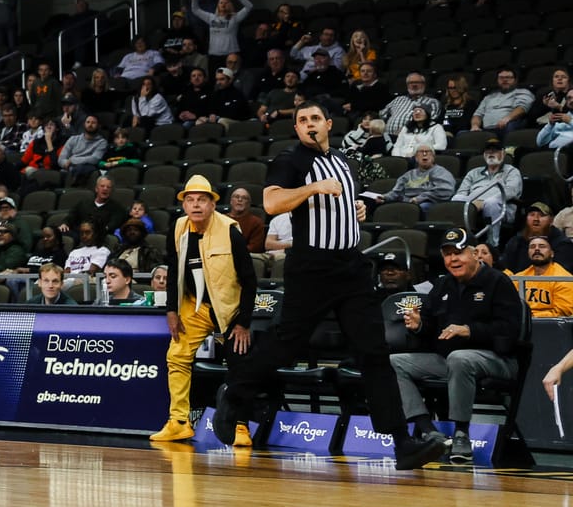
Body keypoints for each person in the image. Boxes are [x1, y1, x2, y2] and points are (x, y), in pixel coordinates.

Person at [213, 103, 447, 470]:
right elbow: (271, 203)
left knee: (374, 352)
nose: (309, 124)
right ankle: (234, 393)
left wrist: (356, 210)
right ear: (296, 129)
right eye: (302, 120)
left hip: (351, 267)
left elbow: (343, 205)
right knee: (288, 344)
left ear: (328, 124)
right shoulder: (291, 159)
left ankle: (402, 442)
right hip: (312, 267)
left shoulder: (343, 161)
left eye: (315, 119)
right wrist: (312, 188)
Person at [390, 227, 527, 464]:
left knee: (459, 358)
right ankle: (429, 432)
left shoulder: (498, 282)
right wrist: (419, 325)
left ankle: (461, 434)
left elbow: (509, 331)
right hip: (450, 360)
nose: (453, 259)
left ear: (475, 254)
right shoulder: (443, 285)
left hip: (497, 359)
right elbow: (431, 327)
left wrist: (469, 330)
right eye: (447, 254)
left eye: (459, 253)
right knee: (394, 363)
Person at [150, 175, 256, 443]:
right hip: (194, 306)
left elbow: (249, 279)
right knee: (176, 356)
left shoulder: (230, 231)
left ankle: (241, 426)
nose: (196, 205)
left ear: (212, 204)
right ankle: (179, 422)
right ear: (184, 205)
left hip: (228, 310)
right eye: (190, 200)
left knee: (239, 364)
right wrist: (171, 310)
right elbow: (174, 270)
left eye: (202, 200)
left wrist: (243, 322)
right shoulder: (178, 228)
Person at [453, 137, 522, 242]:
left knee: (491, 202)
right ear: (484, 155)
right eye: (488, 151)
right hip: (473, 205)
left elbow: (511, 191)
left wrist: (482, 202)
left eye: (495, 150)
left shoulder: (511, 171)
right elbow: (461, 192)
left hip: (502, 207)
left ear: (503, 153)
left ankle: (492, 243)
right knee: (456, 198)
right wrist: (472, 204)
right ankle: (460, 238)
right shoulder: (473, 172)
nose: (491, 153)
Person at [511, 235, 573, 317]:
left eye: (542, 246)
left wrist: (532, 316)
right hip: (522, 320)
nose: (536, 249)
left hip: (550, 323)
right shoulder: (519, 277)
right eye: (532, 247)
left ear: (552, 253)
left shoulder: (563, 278)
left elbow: (564, 311)